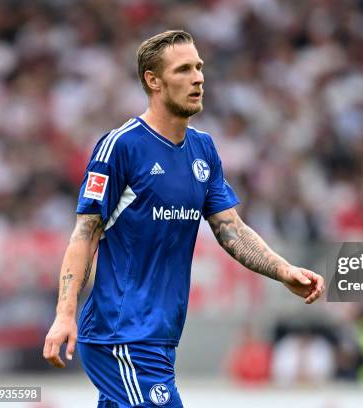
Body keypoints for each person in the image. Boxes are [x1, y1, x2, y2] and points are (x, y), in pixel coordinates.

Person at [42, 30, 325, 408]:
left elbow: (231, 230)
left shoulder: (203, 149)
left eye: (199, 67)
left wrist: (283, 269)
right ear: (153, 80)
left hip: (160, 339)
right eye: (184, 69)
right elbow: (85, 232)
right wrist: (64, 314)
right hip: (120, 335)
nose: (198, 78)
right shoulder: (122, 146)